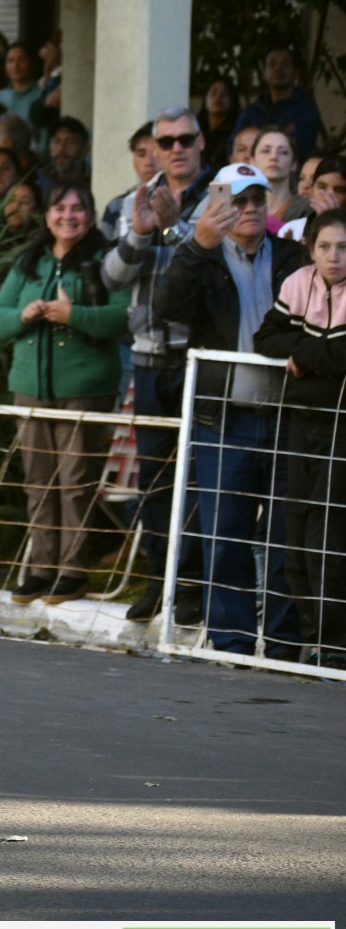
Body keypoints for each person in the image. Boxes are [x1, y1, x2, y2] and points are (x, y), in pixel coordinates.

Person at [153, 162, 306, 658]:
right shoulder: (202, 254)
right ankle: (232, 642)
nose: (249, 209)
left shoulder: (291, 254)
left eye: (257, 199)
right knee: (225, 535)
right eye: (238, 201)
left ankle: (284, 644)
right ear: (218, 205)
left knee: (287, 537)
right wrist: (196, 244)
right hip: (224, 417)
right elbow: (167, 307)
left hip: (287, 417)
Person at [0, 184, 131, 605]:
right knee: (38, 482)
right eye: (59, 207)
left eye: (78, 208)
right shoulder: (31, 261)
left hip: (84, 389)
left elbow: (121, 317)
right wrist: (24, 315)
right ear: (46, 215)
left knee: (75, 482)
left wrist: (74, 315)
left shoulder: (108, 259)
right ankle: (41, 568)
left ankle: (73, 570)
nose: (69, 216)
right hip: (30, 387)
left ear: (91, 214)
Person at [102, 105, 214, 622]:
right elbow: (112, 277)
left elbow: (211, 272)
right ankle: (157, 581)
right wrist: (142, 231)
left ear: (201, 143)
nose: (175, 149)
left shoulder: (223, 197)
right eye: (165, 141)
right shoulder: (133, 201)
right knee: (154, 483)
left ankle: (191, 588)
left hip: (197, 357)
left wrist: (174, 230)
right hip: (146, 357)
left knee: (197, 481)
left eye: (184, 139)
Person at [254, 208, 346, 668]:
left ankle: (336, 646)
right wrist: (315, 355)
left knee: (331, 537)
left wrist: (306, 355)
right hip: (301, 423)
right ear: (310, 248)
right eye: (325, 247)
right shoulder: (297, 283)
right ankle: (313, 639)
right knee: (297, 537)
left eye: (344, 247)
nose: (334, 257)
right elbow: (265, 338)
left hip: (341, 427)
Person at [234, 47, 322, 159]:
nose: (278, 68)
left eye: (285, 64)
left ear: (296, 72)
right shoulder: (251, 111)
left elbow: (298, 148)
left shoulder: (305, 111)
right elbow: (233, 146)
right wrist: (284, 132)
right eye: (272, 64)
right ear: (264, 73)